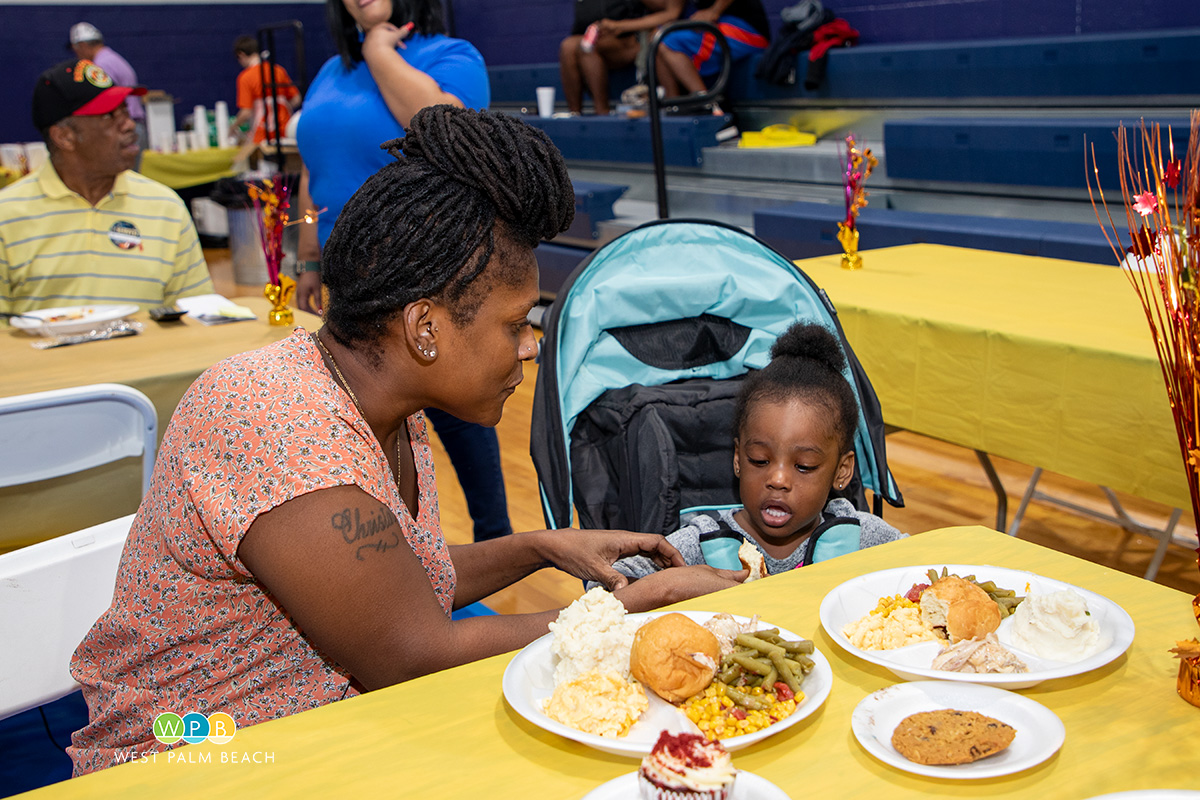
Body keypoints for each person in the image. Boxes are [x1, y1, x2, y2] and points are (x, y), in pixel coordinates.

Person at [67, 106, 745, 774]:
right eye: (516, 324)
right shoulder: (279, 426)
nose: (531, 347)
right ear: (425, 328)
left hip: (314, 720)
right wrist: (627, 611)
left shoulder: (382, 399)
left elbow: (386, 574)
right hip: (194, 753)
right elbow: (410, 654)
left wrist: (539, 548)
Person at [295, 0, 509, 541]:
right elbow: (310, 168)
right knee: (362, 430)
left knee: (460, 421)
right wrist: (306, 255)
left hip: (427, 278)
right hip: (348, 283)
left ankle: (499, 543)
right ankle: (385, 561)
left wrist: (379, 52)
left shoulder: (451, 55)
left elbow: (447, 129)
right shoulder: (328, 72)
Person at [600, 322, 905, 586]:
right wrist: (667, 587)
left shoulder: (860, 536)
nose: (778, 479)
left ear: (842, 471)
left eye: (804, 466)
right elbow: (609, 582)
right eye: (759, 460)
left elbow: (924, 562)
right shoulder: (702, 542)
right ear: (737, 459)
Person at [0, 59, 213, 316]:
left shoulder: (165, 208)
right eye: (110, 116)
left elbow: (199, 315)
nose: (129, 124)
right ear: (64, 137)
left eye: (125, 111)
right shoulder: (7, 216)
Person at [558, 0, 682, 116]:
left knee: (586, 48)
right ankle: (574, 113)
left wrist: (620, 25)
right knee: (568, 46)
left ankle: (602, 113)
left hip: (639, 35)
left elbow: (667, 10)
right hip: (613, 33)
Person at [654, 0, 771, 108]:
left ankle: (707, 104)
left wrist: (714, 11)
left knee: (670, 42)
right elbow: (667, 8)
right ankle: (672, 107)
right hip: (718, 23)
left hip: (747, 30)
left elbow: (710, 15)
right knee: (657, 42)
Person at [69, 23, 147, 158]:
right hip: (135, 127)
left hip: (122, 130)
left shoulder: (100, 65)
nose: (78, 57)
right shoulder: (114, 58)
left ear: (82, 46)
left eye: (76, 51)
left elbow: (104, 103)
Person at [230, 35, 302, 145]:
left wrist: (232, 127)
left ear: (241, 54)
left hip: (262, 132)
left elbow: (246, 112)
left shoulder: (246, 77)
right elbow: (296, 98)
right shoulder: (278, 70)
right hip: (285, 129)